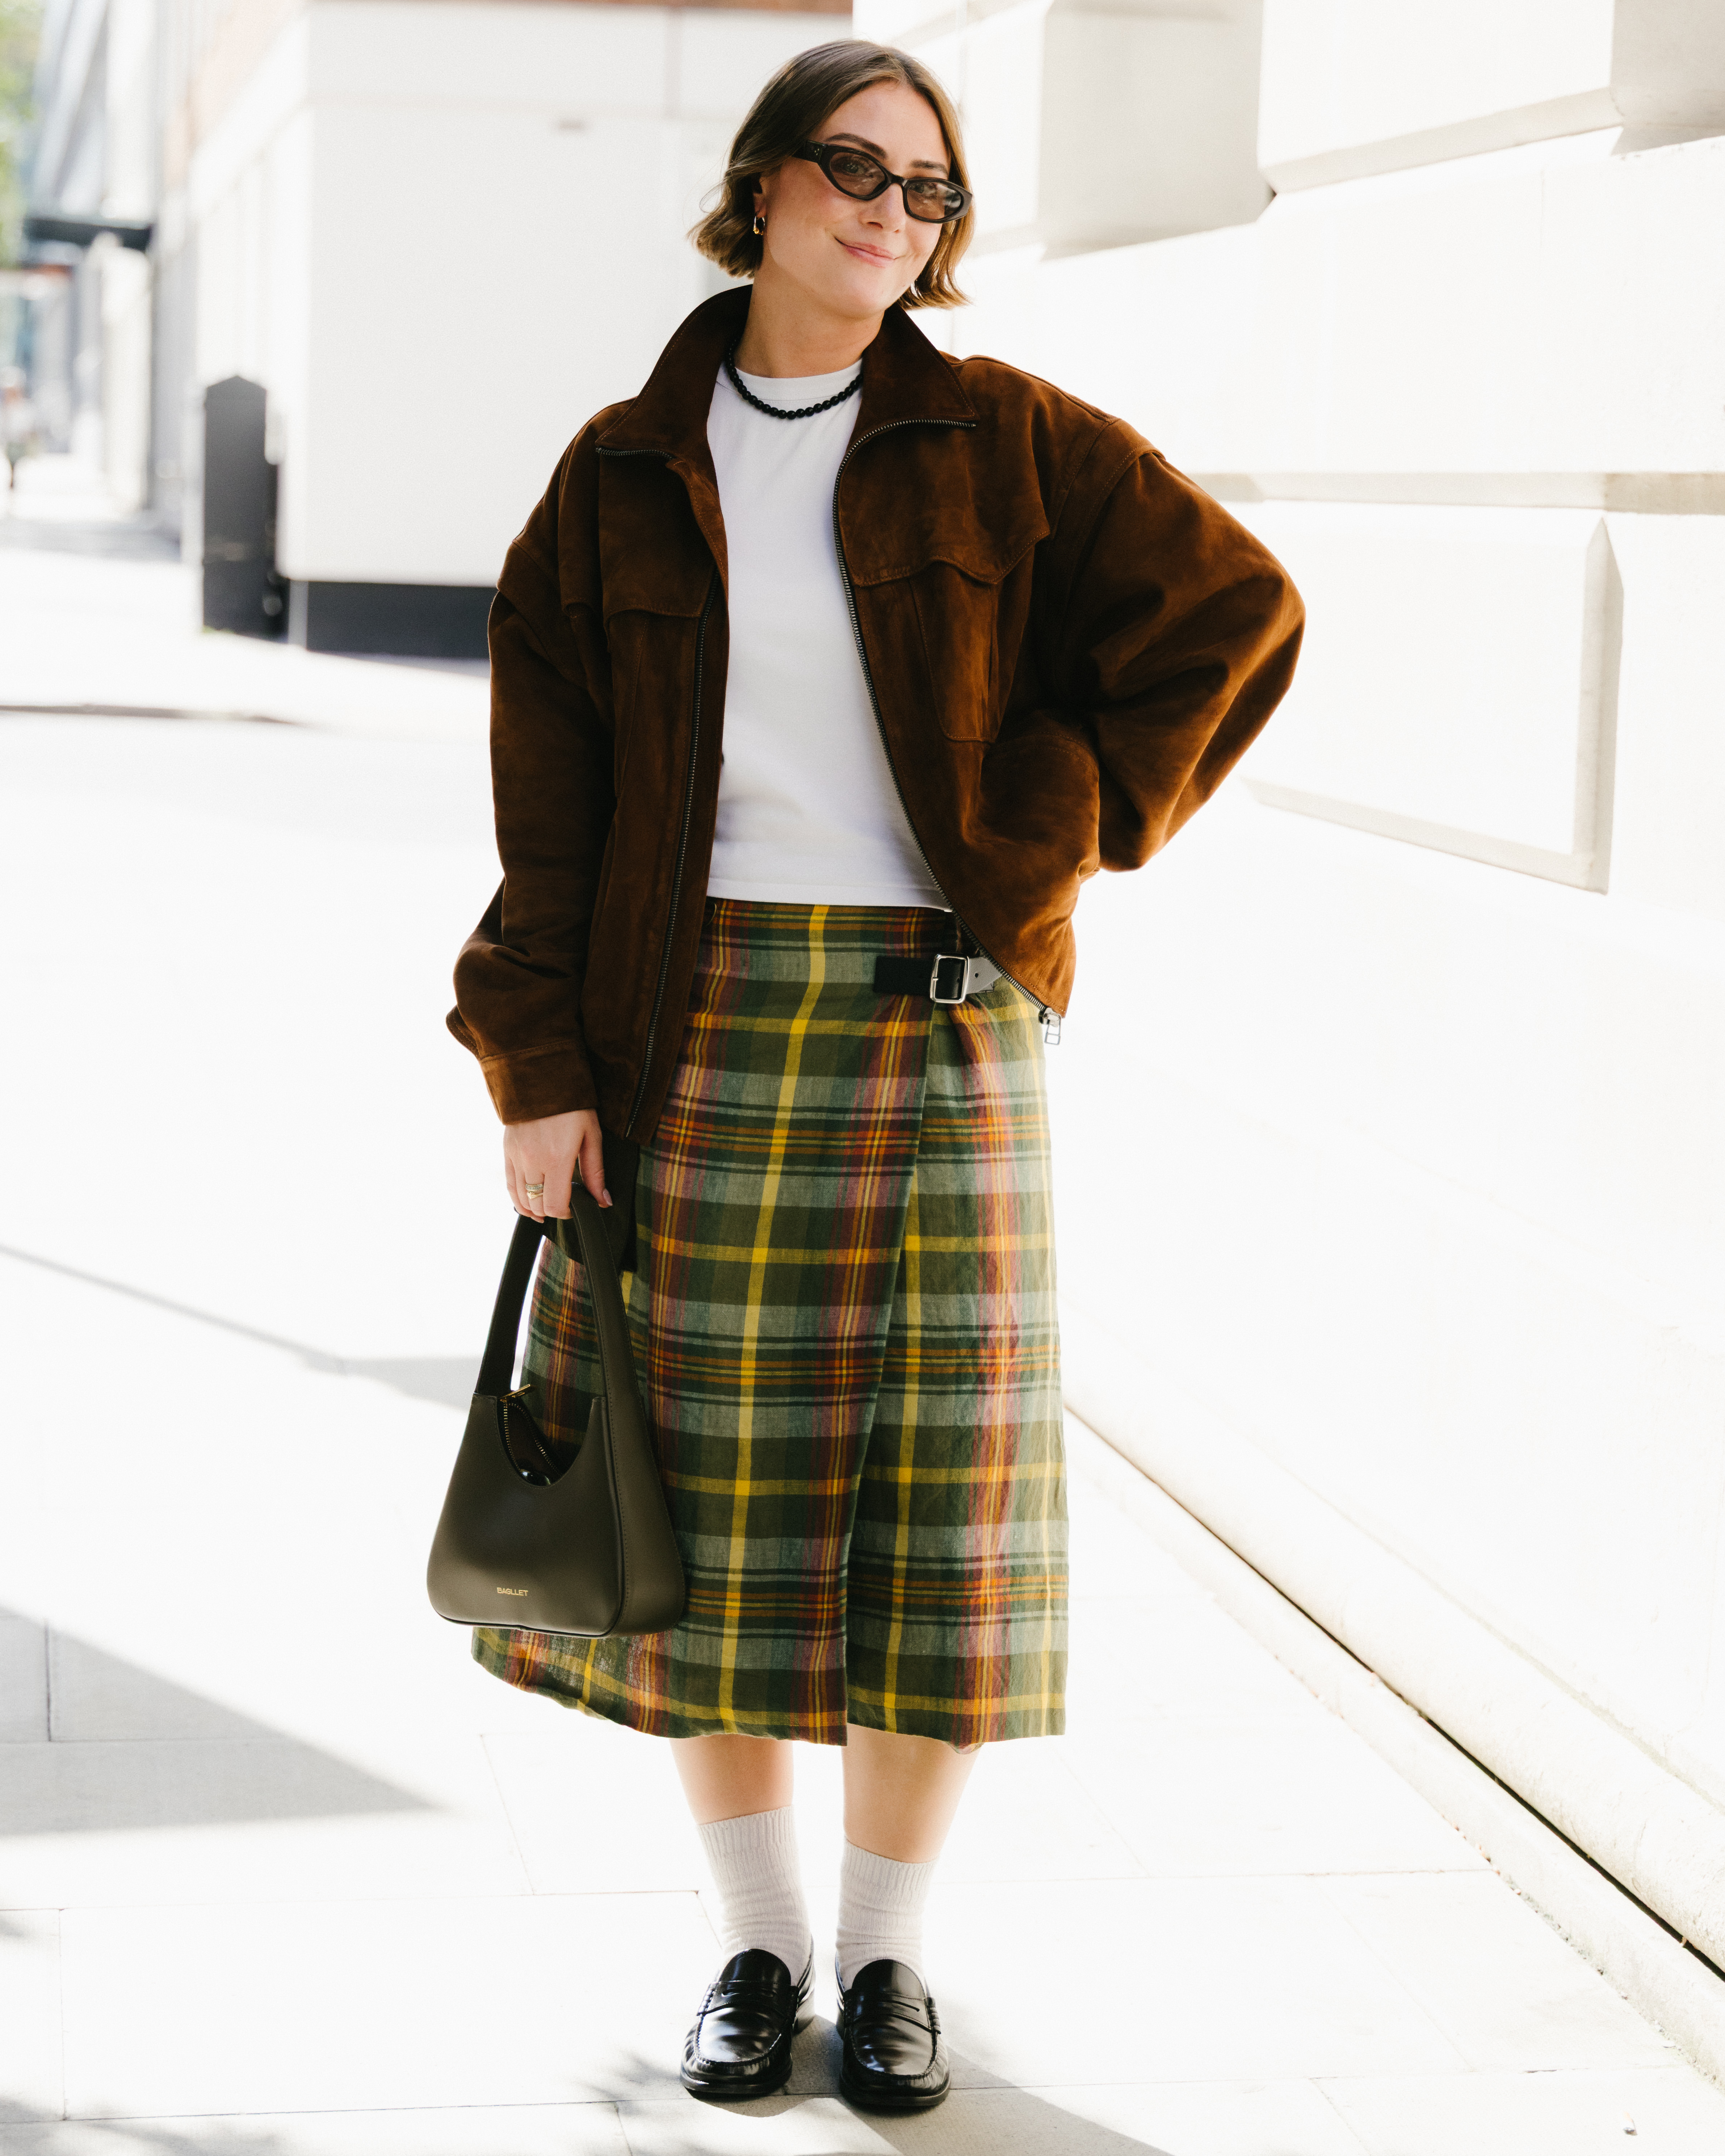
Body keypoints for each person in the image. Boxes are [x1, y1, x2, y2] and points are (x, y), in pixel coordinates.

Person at [449, 38, 1302, 2114]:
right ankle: (754, 1942)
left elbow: (1238, 616)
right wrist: (532, 1061)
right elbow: (547, 815)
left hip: (943, 1021)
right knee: (699, 1518)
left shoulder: (1007, 444)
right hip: (694, 1026)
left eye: (931, 191)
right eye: (855, 167)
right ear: (760, 184)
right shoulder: (618, 475)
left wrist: (1056, 817)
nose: (892, 213)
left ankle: (895, 1959)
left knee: (946, 1513)